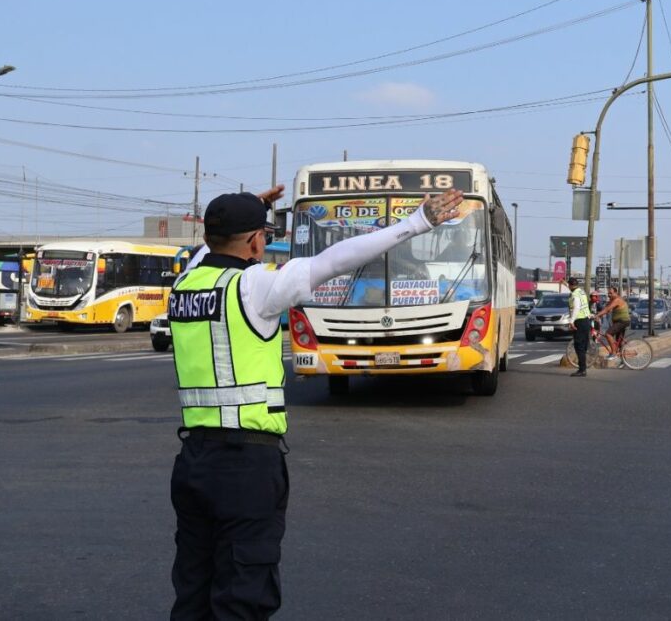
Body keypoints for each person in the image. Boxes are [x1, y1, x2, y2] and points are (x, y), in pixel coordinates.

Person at [168, 185, 463, 619]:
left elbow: (208, 250)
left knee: (193, 591)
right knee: (243, 596)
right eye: (263, 236)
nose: (264, 245)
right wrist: (416, 222)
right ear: (253, 240)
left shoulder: (183, 284)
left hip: (192, 462)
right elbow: (335, 260)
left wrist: (250, 211)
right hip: (245, 467)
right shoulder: (254, 287)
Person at [594, 285, 630, 360]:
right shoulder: (611, 300)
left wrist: (597, 315)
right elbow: (605, 309)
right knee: (618, 342)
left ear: (616, 293)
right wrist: (598, 315)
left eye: (610, 293)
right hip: (619, 322)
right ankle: (623, 361)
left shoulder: (617, 300)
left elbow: (607, 309)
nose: (609, 295)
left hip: (622, 321)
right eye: (608, 293)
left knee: (608, 334)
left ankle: (613, 353)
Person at [566, 277, 592, 376]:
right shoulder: (581, 292)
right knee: (583, 345)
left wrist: (571, 321)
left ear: (571, 285)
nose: (568, 287)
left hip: (580, 321)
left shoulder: (575, 294)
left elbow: (576, 308)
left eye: (568, 285)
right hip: (586, 320)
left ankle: (582, 370)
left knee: (579, 346)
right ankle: (583, 368)